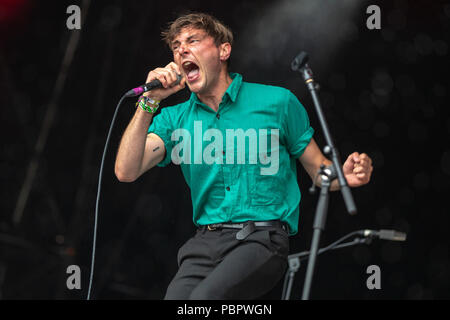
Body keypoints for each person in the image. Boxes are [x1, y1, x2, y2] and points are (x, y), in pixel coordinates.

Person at [114, 12, 373, 300]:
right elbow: (126, 170)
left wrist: (344, 175)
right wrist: (149, 102)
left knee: (202, 302)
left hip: (261, 239)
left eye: (193, 40)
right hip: (204, 243)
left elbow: (319, 172)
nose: (181, 50)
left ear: (223, 50)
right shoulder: (174, 118)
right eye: (176, 46)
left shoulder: (278, 102)